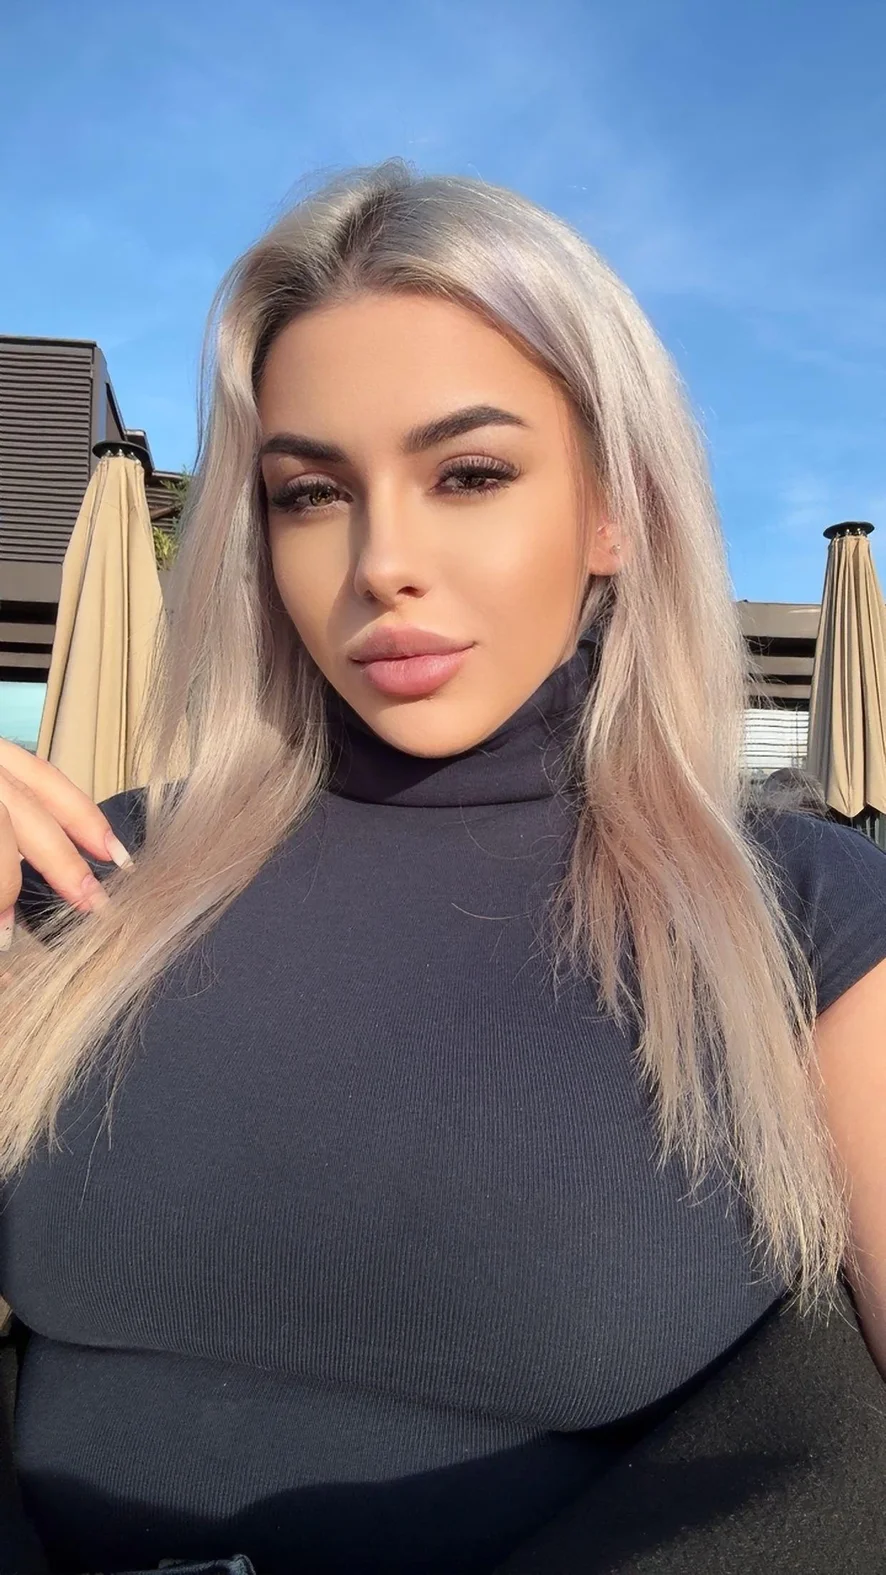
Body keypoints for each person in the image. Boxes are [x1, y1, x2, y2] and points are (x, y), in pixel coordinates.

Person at [0, 158, 885, 1575]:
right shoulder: (106, 872)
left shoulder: (795, 914)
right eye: (309, 493)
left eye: (468, 474)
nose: (381, 562)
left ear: (613, 510)